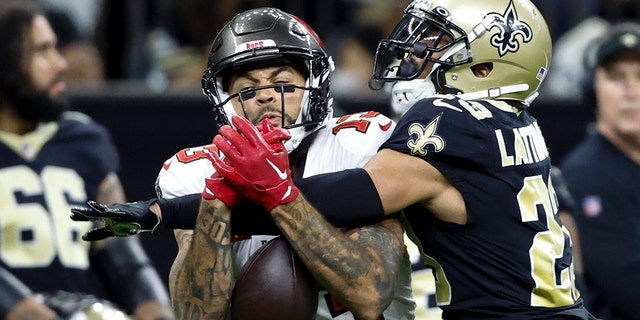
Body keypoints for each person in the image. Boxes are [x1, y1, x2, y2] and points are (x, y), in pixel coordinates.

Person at [207, 0, 596, 318]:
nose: (413, 53)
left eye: (435, 41)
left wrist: (203, 205)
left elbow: (348, 194)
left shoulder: (448, 120)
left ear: (484, 64)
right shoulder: (514, 119)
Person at [72, 7, 416, 320]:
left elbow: (371, 294)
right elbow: (197, 314)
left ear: (315, 85)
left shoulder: (361, 142)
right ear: (226, 102)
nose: (266, 95)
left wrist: (279, 193)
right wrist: (216, 199)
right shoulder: (195, 169)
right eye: (248, 90)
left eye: (282, 83)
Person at [0, 1, 174, 319]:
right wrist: (22, 310)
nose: (60, 63)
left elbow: (121, 251)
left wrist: (154, 308)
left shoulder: (83, 139)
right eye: (42, 51)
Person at [560, 21, 640, 320]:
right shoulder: (586, 175)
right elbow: (632, 292)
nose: (631, 92)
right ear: (594, 87)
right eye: (617, 77)